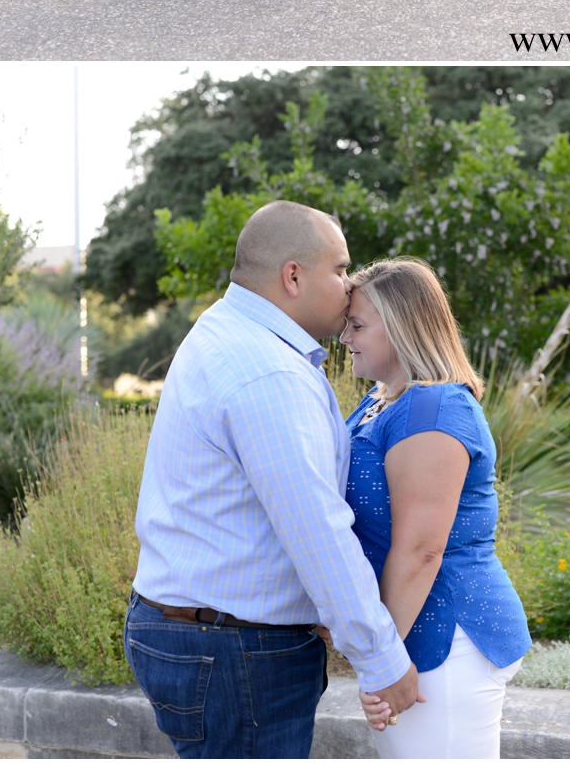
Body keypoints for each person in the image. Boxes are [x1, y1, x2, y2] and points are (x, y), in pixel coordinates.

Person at [124, 202, 421, 759]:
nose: (351, 285)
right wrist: (381, 659)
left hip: (200, 632)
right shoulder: (269, 371)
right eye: (339, 269)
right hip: (234, 650)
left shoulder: (225, 328)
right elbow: (316, 529)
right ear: (292, 276)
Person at [339, 258, 532, 758]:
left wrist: (382, 659)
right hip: (412, 634)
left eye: (357, 326)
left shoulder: (433, 409)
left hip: (448, 638)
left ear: (402, 327)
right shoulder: (381, 400)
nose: (345, 338)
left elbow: (422, 550)